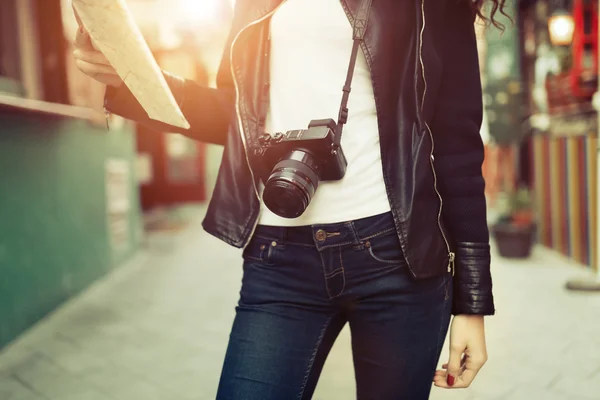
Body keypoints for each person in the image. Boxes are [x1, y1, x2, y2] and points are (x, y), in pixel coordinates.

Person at [73, 0, 503, 398]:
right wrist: (133, 81)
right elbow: (236, 114)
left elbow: (456, 145)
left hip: (395, 256)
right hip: (279, 259)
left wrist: (472, 303)